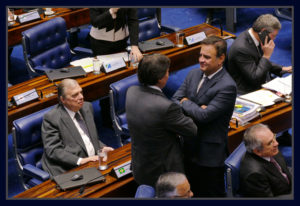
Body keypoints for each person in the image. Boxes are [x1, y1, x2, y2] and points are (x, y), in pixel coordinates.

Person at [172, 36, 237, 197]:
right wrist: (194, 107)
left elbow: (204, 116)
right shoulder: (193, 74)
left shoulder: (227, 86)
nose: (201, 60)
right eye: (200, 55)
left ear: (221, 58)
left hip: (209, 156)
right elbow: (174, 100)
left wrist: (186, 102)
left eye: (207, 57)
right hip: (188, 148)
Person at [126, 54, 198, 187]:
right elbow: (191, 129)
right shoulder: (166, 107)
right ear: (161, 79)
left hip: (141, 166)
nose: (168, 74)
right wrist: (188, 104)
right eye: (167, 72)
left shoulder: (131, 92)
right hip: (164, 174)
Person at [41, 79, 114, 177]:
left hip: (93, 161)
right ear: (63, 100)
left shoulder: (87, 107)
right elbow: (53, 151)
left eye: (81, 92)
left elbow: (88, 137)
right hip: (69, 168)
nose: (81, 97)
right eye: (75, 95)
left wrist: (102, 147)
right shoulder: (52, 118)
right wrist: (81, 161)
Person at [89, 8, 143, 128]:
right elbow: (95, 22)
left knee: (121, 74)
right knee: (106, 78)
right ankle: (107, 117)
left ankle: (123, 112)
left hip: (121, 40)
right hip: (100, 42)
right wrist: (111, 11)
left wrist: (134, 45)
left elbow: (133, 20)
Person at [227, 14, 292, 95]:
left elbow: (258, 60)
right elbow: (255, 79)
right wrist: (266, 55)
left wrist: (283, 68)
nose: (274, 39)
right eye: (273, 36)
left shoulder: (255, 37)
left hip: (263, 80)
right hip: (249, 90)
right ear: (263, 31)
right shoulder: (242, 49)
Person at [239, 124, 292, 197]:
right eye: (270, 142)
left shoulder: (270, 149)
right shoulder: (254, 174)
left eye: (274, 137)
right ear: (258, 151)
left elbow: (284, 170)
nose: (277, 143)